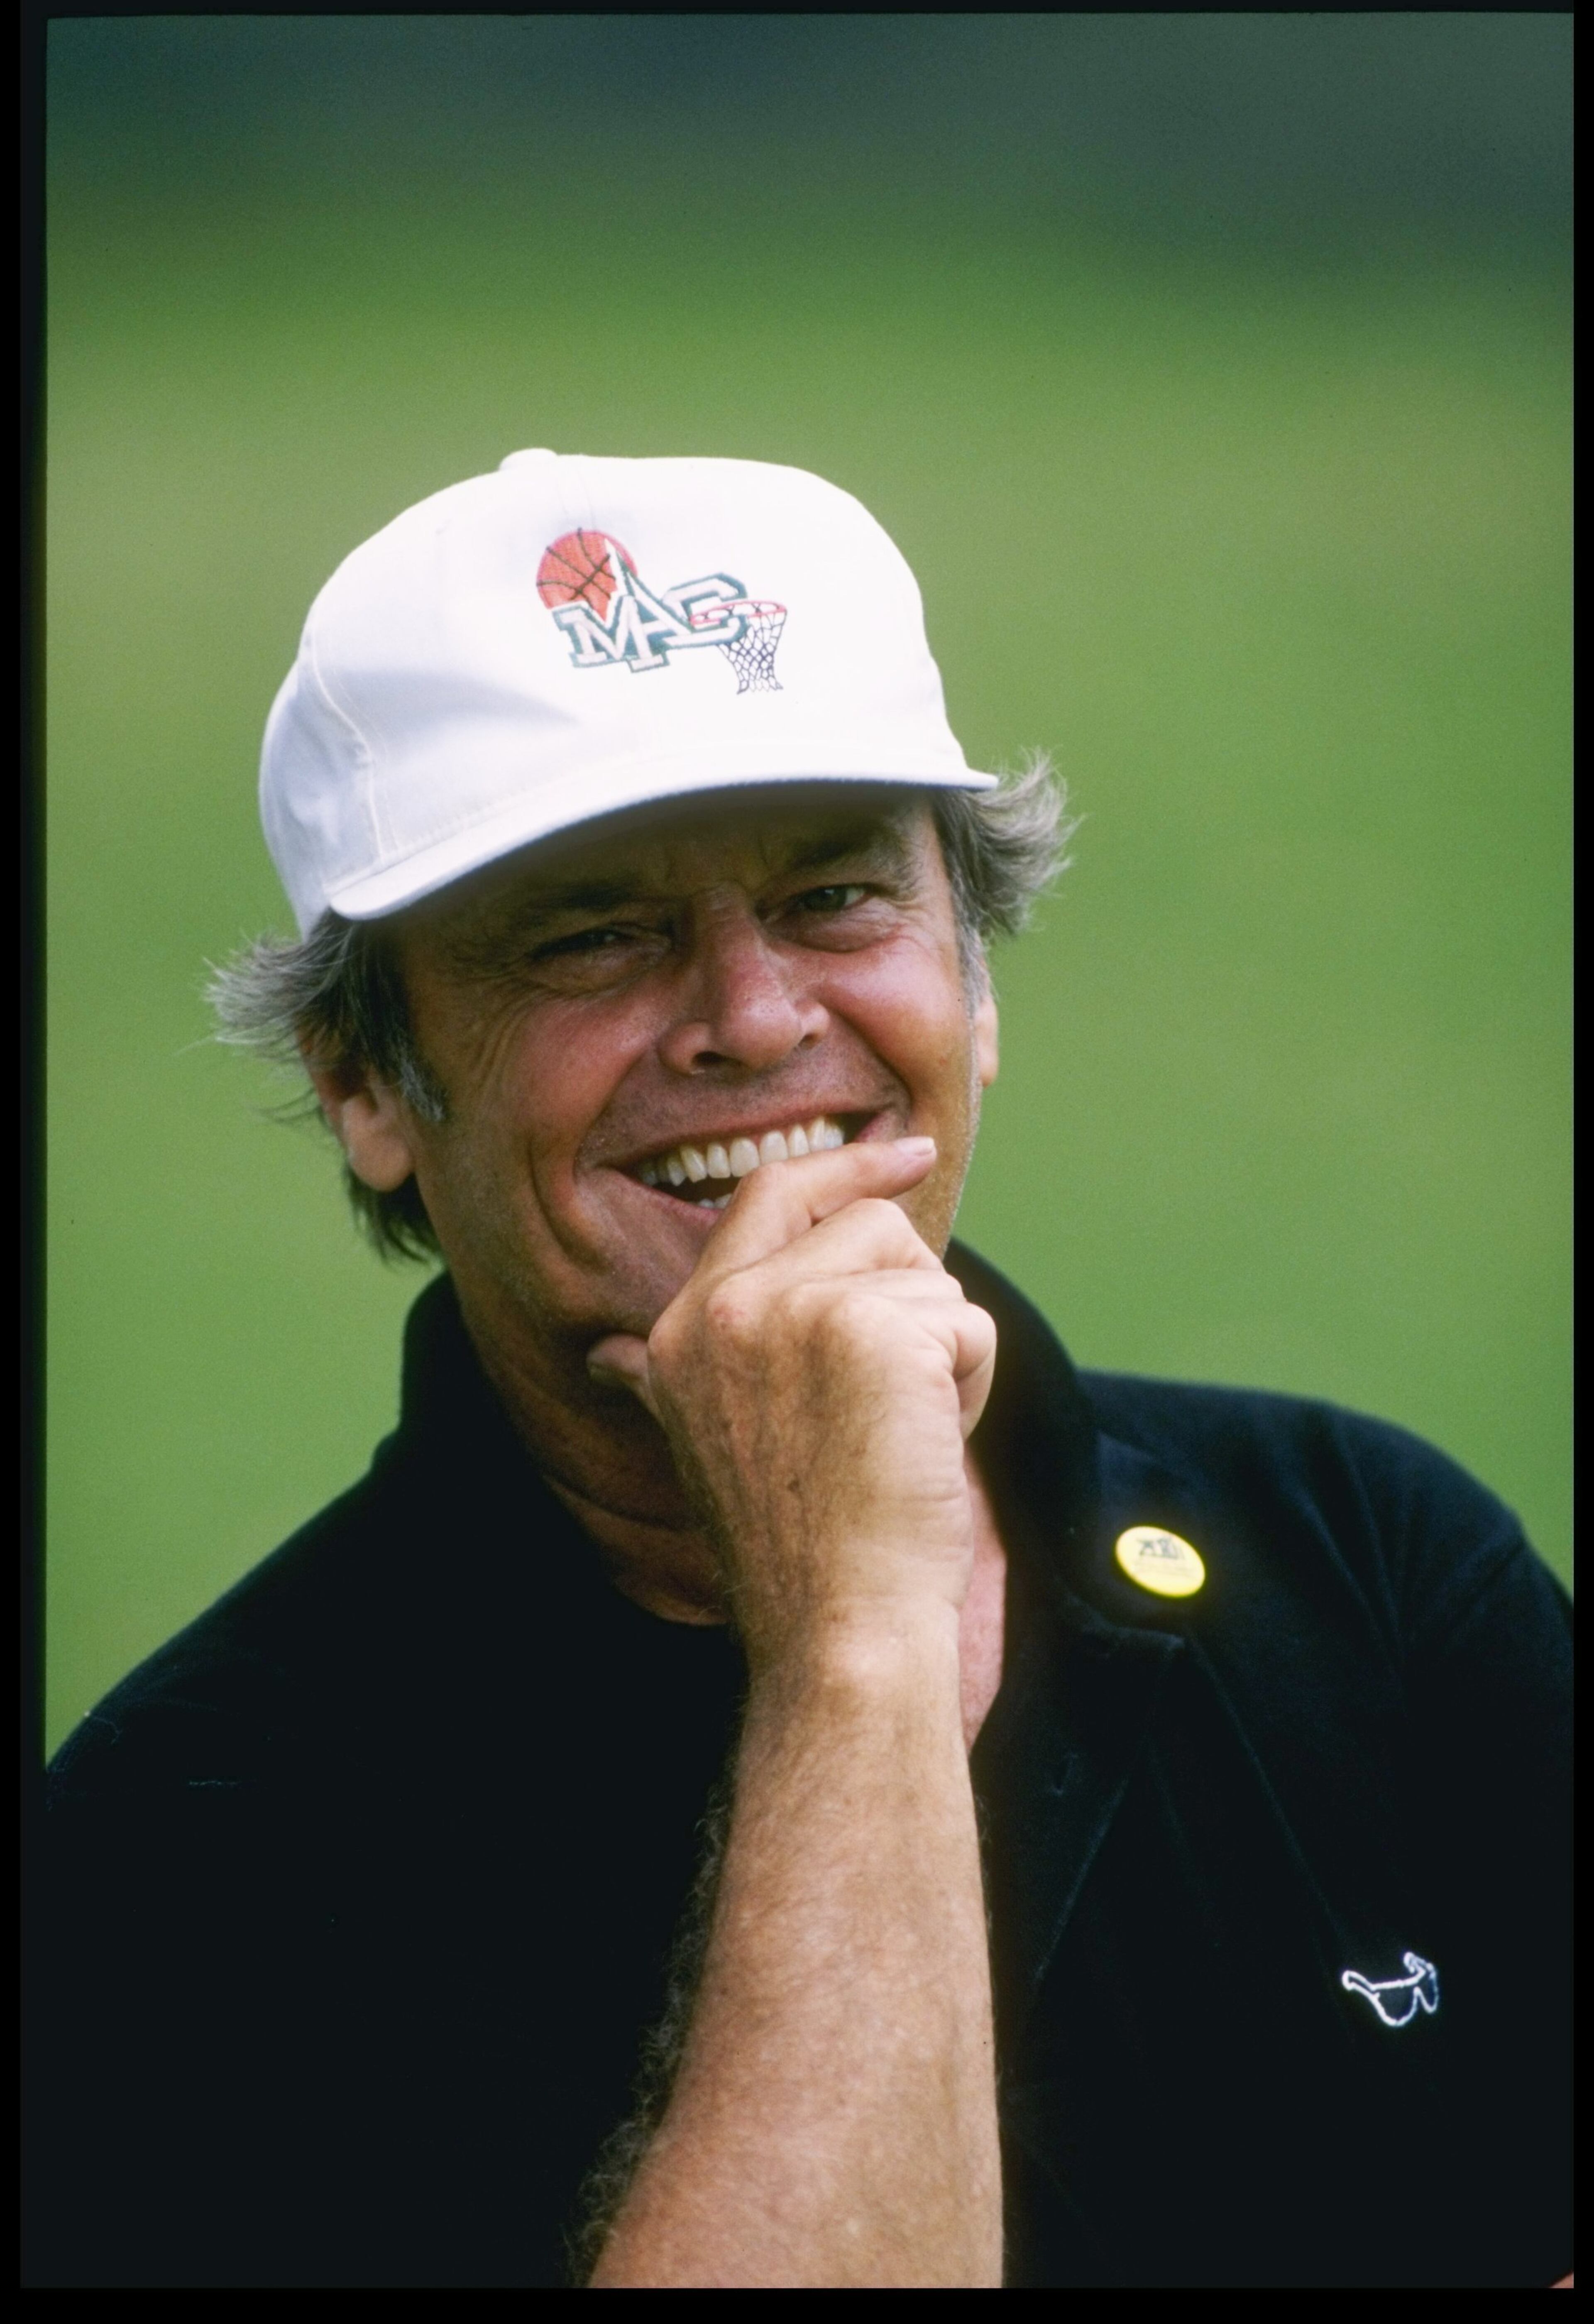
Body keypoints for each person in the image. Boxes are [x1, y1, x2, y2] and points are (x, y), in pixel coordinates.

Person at [29, 453, 1570, 2289]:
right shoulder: (196, 1846)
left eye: (839, 896)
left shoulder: (1373, 1565)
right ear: (368, 1079)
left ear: (976, 991)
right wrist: (853, 1641)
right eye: (591, 929)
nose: (757, 1017)